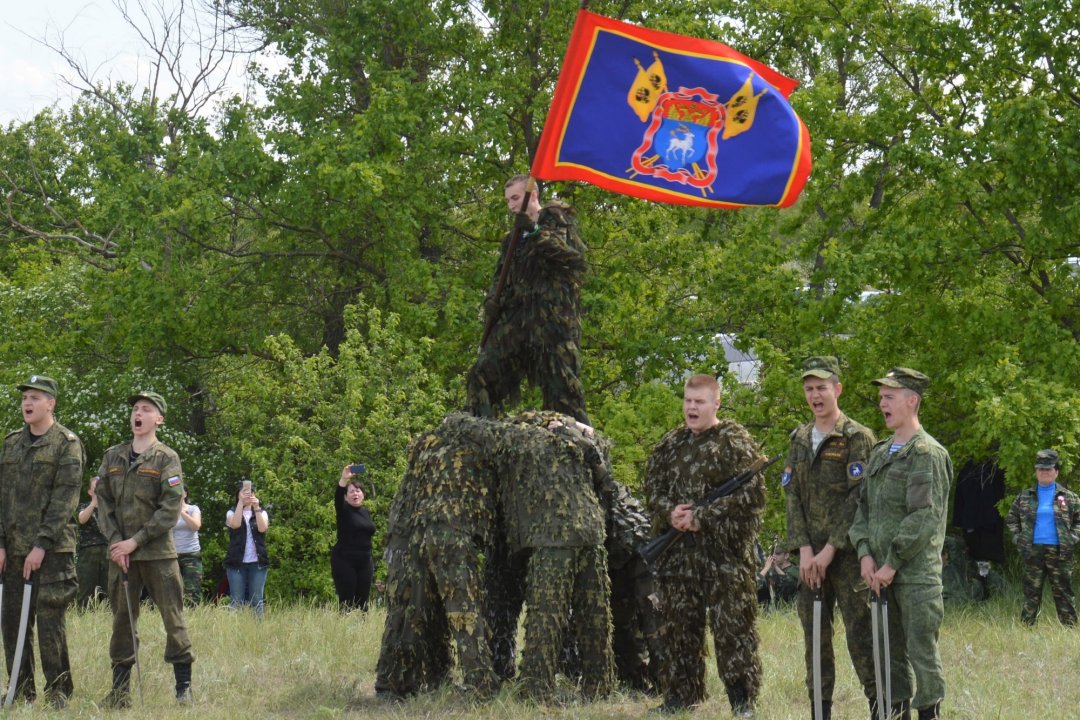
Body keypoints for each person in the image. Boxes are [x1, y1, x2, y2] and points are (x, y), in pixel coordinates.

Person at [645, 373, 765, 716]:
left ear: (716, 403)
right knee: (679, 629)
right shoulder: (670, 444)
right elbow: (652, 488)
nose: (691, 408)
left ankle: (742, 702)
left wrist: (704, 516)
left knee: (733, 632)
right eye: (687, 401)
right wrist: (670, 512)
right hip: (678, 558)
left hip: (725, 558)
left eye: (699, 402)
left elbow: (752, 496)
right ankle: (681, 697)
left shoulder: (734, 441)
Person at [849, 368, 952, 720]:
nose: (882, 403)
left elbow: (923, 517)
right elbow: (863, 509)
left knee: (921, 652)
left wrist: (891, 563)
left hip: (914, 575)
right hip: (878, 573)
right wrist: (864, 554)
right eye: (880, 397)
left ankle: (929, 714)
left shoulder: (926, 453)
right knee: (887, 653)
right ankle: (895, 713)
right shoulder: (879, 453)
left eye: (889, 396)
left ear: (912, 400)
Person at [375, 414, 500, 699]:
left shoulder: (425, 450)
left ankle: (401, 683)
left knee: (412, 611)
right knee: (458, 608)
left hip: (409, 535)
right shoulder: (466, 448)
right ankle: (478, 683)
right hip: (432, 535)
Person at [783, 356, 878, 719]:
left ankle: (879, 707)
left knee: (862, 637)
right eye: (809, 389)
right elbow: (791, 495)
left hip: (849, 557)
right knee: (816, 642)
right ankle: (820, 711)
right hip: (810, 561)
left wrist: (829, 551)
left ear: (837, 389)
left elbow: (859, 499)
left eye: (822, 388)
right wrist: (805, 551)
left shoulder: (857, 436)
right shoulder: (800, 438)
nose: (815, 395)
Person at [96, 391, 194, 706]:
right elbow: (103, 503)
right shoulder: (113, 456)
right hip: (121, 556)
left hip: (158, 555)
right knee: (122, 620)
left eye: (146, 409)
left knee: (172, 618)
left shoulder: (166, 457)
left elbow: (170, 508)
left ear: (158, 419)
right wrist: (116, 542)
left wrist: (134, 541)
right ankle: (120, 693)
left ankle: (183, 691)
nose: (138, 413)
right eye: (135, 408)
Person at [467, 175, 590, 423]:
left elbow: (571, 259)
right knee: (481, 373)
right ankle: (483, 433)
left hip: (553, 324)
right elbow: (501, 275)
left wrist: (534, 232)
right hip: (518, 321)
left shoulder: (556, 219)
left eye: (516, 198)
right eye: (508, 200)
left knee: (563, 391)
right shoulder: (511, 238)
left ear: (532, 195)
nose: (512, 205)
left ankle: (578, 449)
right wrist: (492, 301)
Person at [0, 375, 83, 707]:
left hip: (53, 551)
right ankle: (20, 690)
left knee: (50, 623)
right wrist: (2, 543)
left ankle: (59, 691)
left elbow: (65, 500)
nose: (27, 403)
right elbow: (2, 498)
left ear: (51, 403)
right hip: (14, 550)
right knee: (12, 623)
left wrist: (41, 545)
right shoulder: (10, 443)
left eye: (35, 397)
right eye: (24, 398)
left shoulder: (67, 443)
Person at [1005, 449, 1080, 626]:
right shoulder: (1025, 496)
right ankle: (1026, 627)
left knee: (1063, 591)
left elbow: (1078, 520)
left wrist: (1072, 538)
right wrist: (1018, 538)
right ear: (1035, 471)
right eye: (1040, 469)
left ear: (1057, 471)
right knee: (1031, 591)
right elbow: (1011, 519)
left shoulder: (1069, 497)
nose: (1044, 472)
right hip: (1033, 550)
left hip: (1060, 552)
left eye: (1048, 469)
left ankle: (1069, 628)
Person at [332, 464, 376, 612]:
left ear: (363, 495)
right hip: (345, 561)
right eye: (351, 492)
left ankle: (361, 633)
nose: (355, 494)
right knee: (347, 602)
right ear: (346, 497)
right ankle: (345, 632)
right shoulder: (343, 510)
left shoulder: (365, 512)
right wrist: (344, 478)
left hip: (365, 561)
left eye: (358, 491)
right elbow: (337, 496)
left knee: (363, 602)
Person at [225, 481, 269, 616]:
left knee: (257, 600)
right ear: (238, 495)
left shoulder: (262, 513)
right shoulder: (231, 512)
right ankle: (234, 632)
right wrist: (240, 503)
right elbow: (235, 524)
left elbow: (262, 528)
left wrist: (256, 507)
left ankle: (258, 631)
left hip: (257, 562)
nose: (247, 496)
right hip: (236, 562)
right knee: (236, 600)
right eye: (244, 493)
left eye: (250, 493)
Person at [76, 475, 111, 609]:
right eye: (96, 488)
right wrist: (93, 504)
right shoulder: (84, 506)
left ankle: (107, 616)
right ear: (90, 492)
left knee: (108, 588)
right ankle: (84, 615)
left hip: (107, 550)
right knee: (86, 587)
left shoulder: (110, 508)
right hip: (88, 551)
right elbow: (82, 519)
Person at [174, 487, 203, 606]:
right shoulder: (167, 511)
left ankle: (194, 616)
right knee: (173, 589)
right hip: (172, 554)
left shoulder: (193, 509)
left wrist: (180, 510)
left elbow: (196, 526)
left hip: (191, 554)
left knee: (193, 590)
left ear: (185, 494)